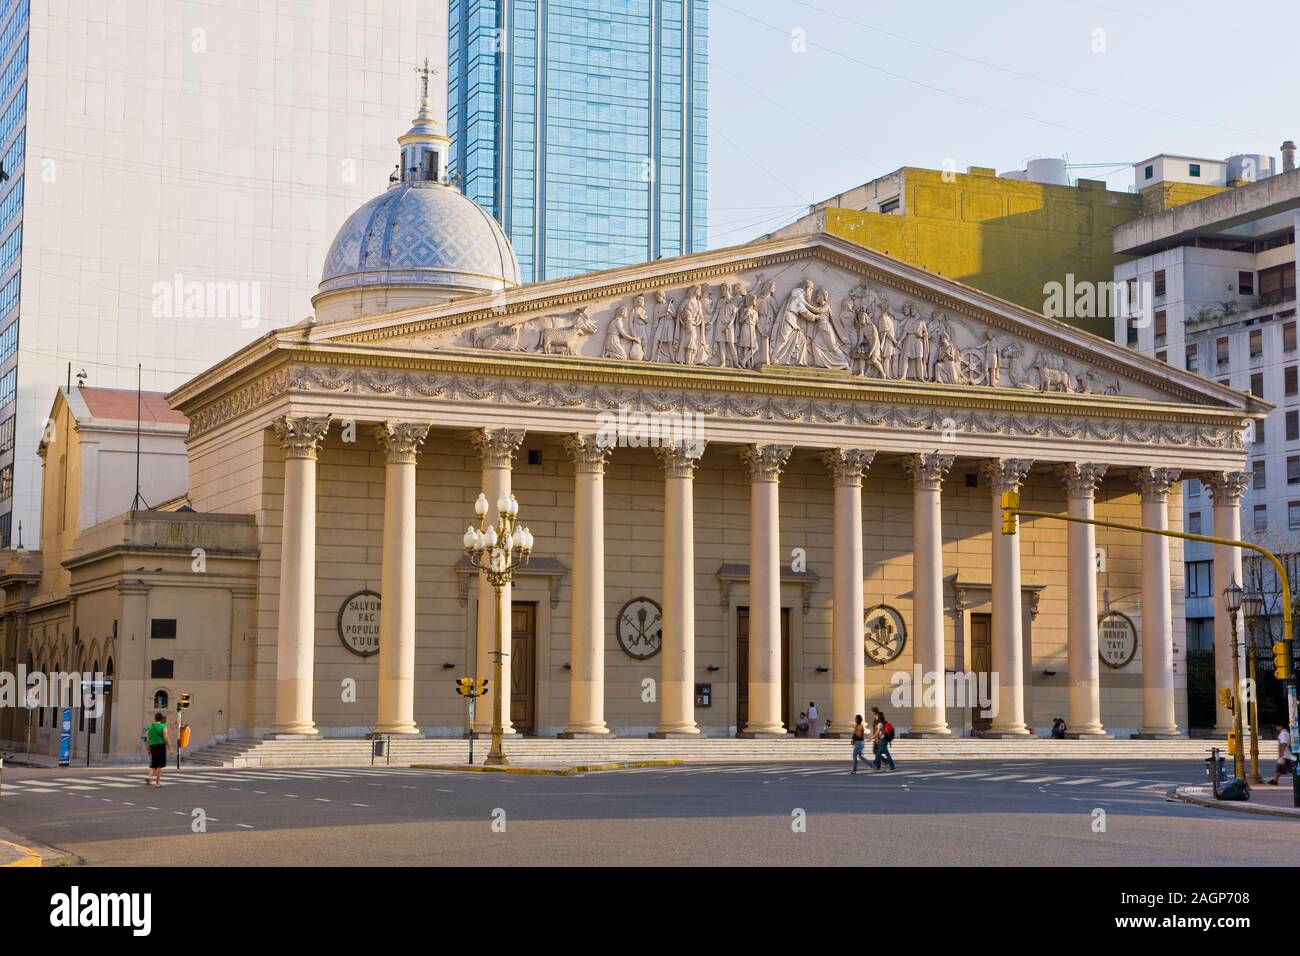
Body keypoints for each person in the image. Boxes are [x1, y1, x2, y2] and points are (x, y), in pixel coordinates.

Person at [145, 712, 172, 787]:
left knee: (153, 763)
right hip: (160, 746)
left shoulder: (150, 727)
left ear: (155, 718)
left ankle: (149, 778)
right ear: (162, 719)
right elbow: (166, 737)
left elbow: (147, 738)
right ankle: (157, 783)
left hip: (153, 745)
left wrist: (148, 748)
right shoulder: (163, 726)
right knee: (159, 765)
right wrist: (170, 747)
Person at [871, 706, 896, 772]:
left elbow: (877, 733)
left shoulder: (880, 723)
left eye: (876, 715)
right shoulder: (884, 722)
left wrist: (872, 737)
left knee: (881, 753)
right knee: (879, 753)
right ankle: (876, 766)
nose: (875, 716)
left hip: (883, 739)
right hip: (884, 739)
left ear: (879, 716)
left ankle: (891, 766)